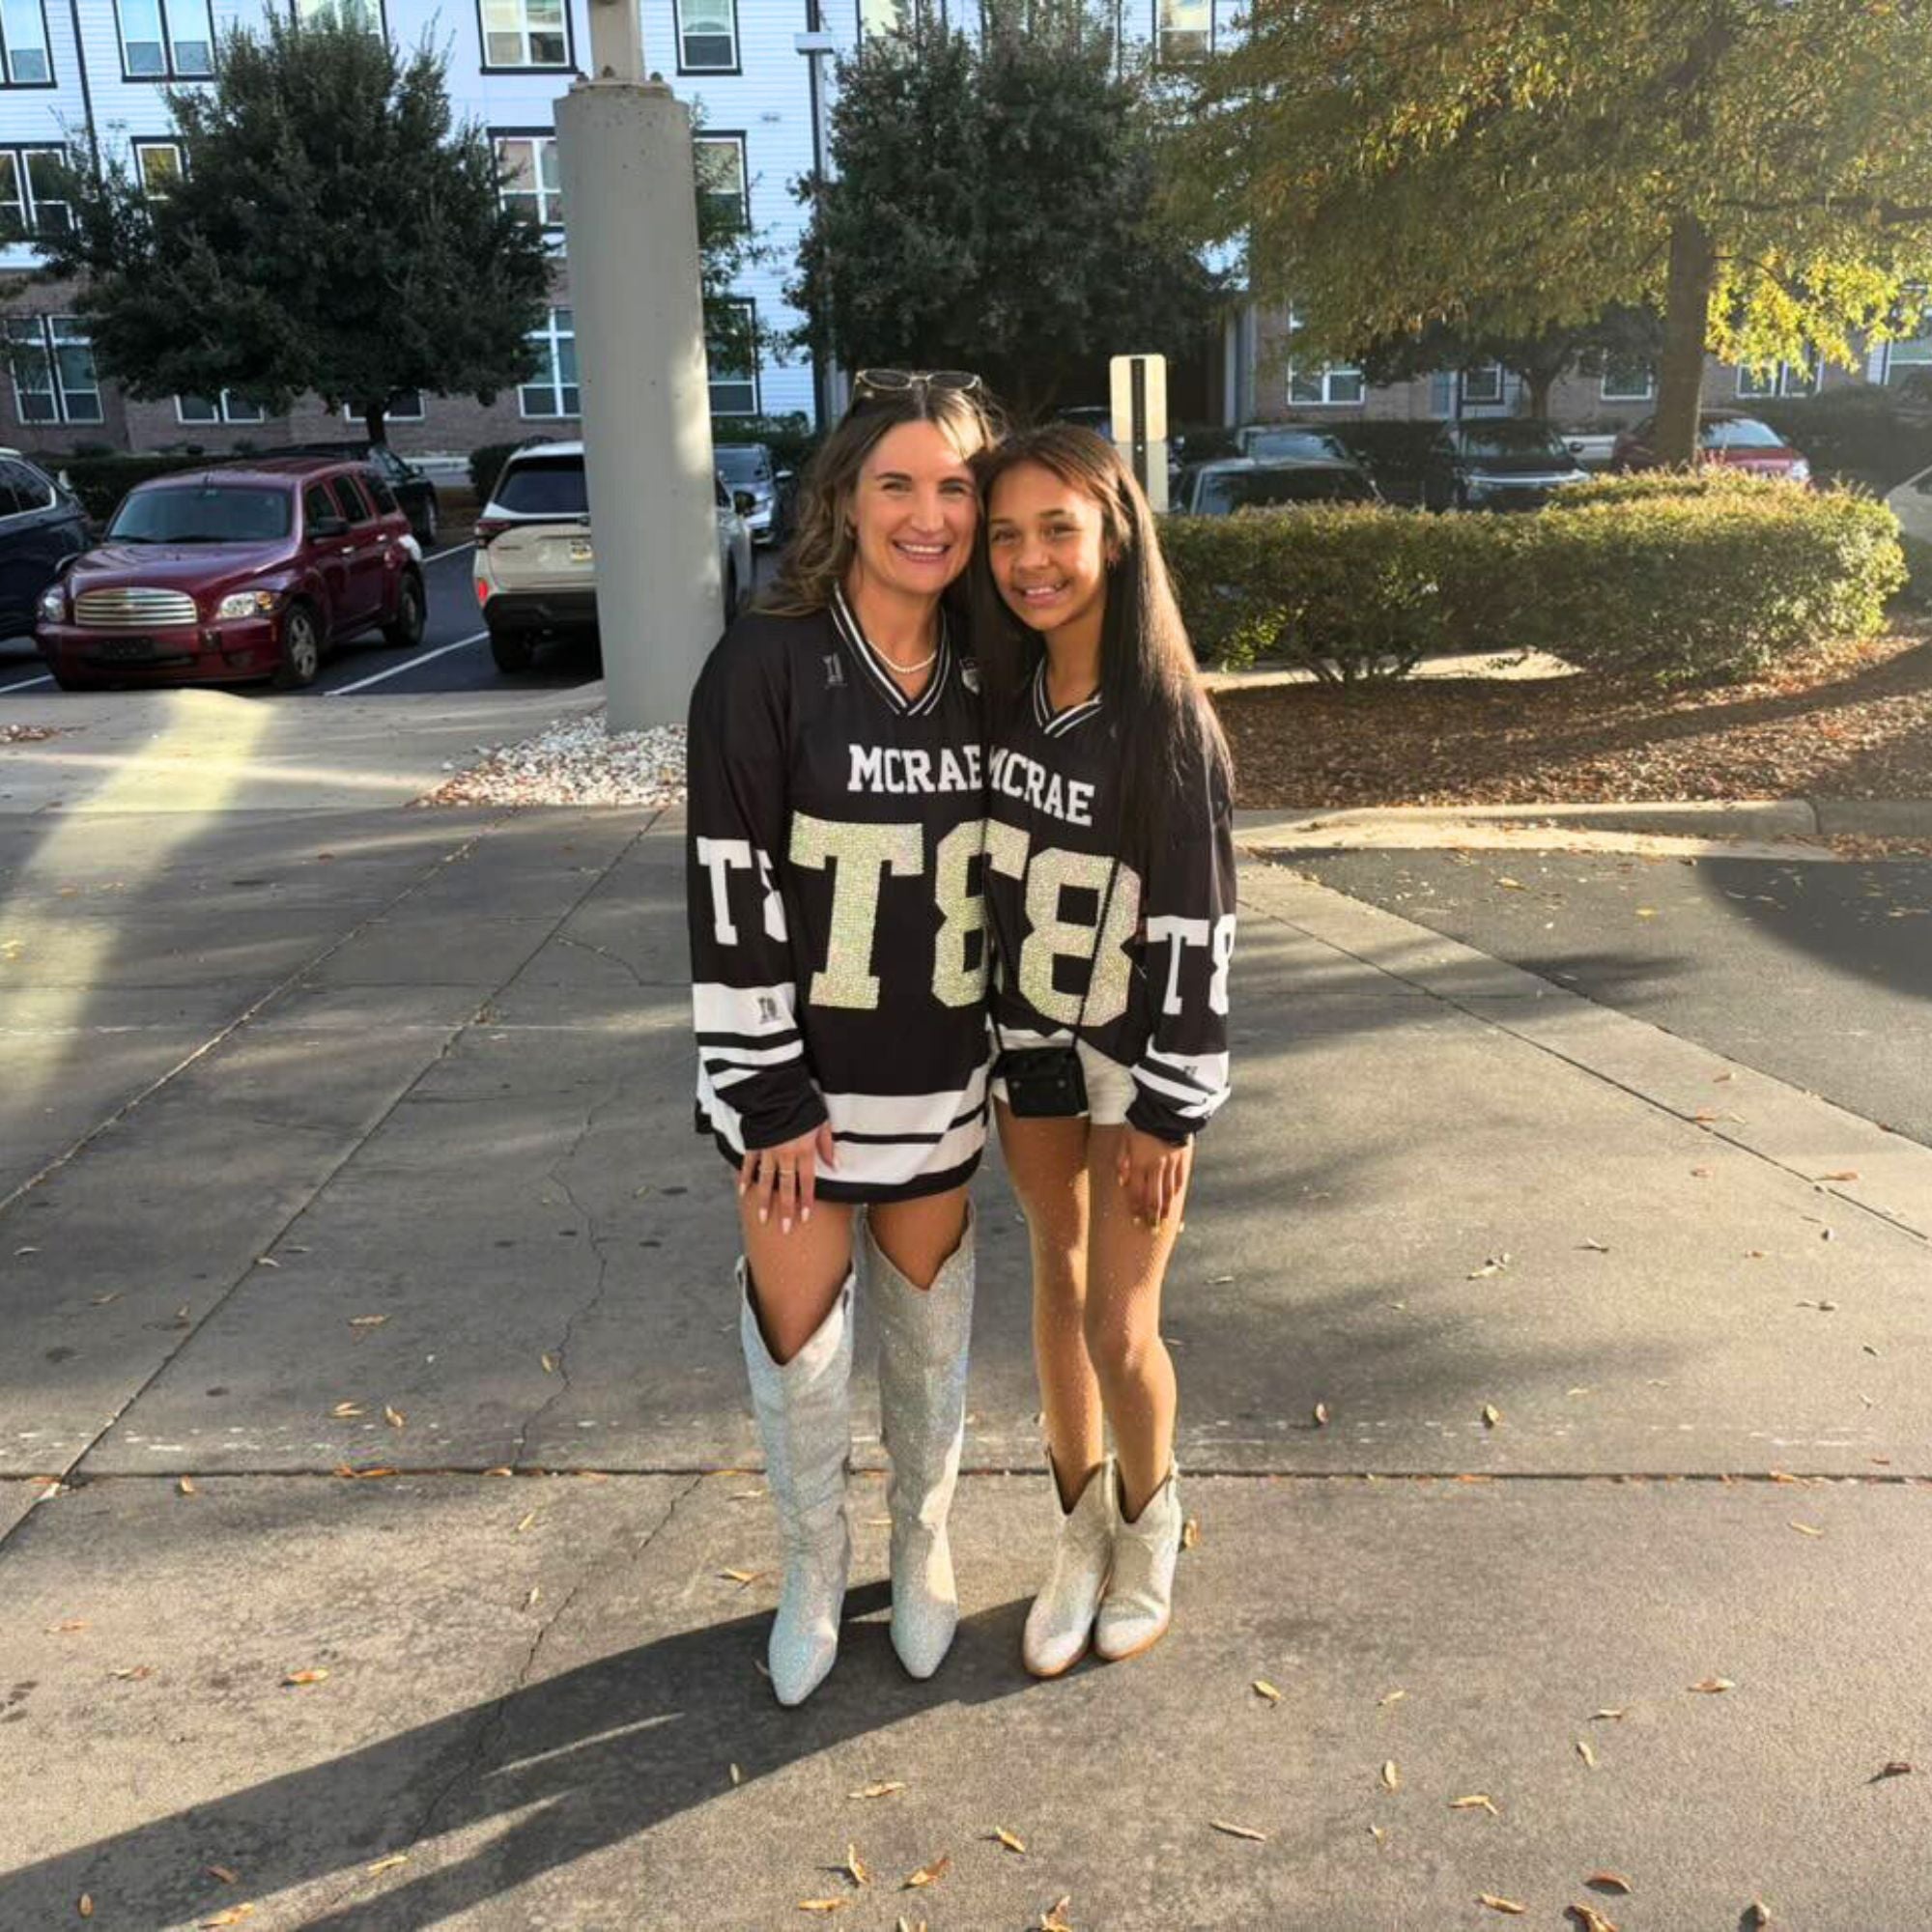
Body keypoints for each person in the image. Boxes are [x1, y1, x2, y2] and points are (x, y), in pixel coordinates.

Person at [685, 371, 1001, 1706]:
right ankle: (813, 1563)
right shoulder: (765, 659)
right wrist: (765, 1089)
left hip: (938, 1068)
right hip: (799, 1084)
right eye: (898, 484)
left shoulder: (1002, 662)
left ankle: (921, 1540)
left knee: (928, 1331)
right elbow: (728, 875)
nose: (928, 516)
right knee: (803, 1336)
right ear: (845, 498)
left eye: (955, 487)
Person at [975, 422, 1236, 1675]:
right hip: (1028, 1039)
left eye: (1057, 529)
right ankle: (1075, 1528)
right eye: (1008, 533)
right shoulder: (997, 698)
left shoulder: (1167, 722)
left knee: (1121, 1324)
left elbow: (1198, 926)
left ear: (1115, 532)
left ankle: (1151, 1518)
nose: (1031, 559)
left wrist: (1171, 1106)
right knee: (1054, 1276)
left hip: (1136, 1061)